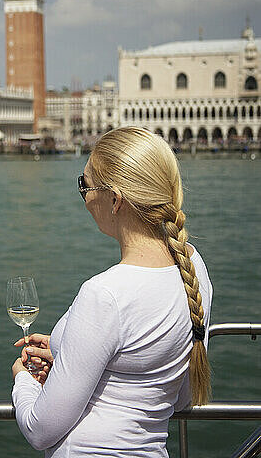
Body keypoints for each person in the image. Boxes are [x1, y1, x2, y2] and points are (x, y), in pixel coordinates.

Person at [11, 126, 212, 457]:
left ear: (115, 200)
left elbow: (39, 429)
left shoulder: (105, 295)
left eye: (84, 185)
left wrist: (24, 379)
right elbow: (178, 395)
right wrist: (68, 350)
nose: (85, 197)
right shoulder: (195, 269)